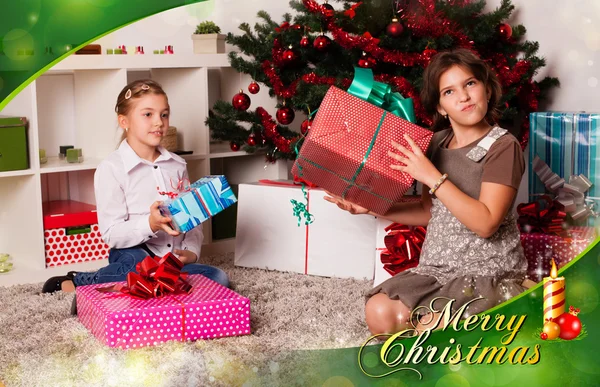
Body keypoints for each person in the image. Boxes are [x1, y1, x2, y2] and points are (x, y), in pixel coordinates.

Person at [325, 48, 528, 335]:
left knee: (431, 328)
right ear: (441, 107)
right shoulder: (436, 143)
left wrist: (432, 177)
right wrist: (372, 206)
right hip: (437, 269)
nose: (464, 96)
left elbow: (486, 223)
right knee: (381, 312)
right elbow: (428, 211)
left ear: (486, 89)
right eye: (449, 91)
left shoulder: (503, 147)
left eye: (470, 83)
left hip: (487, 271)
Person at [42, 79, 229, 303]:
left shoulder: (177, 165)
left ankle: (154, 289)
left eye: (164, 114)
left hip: (171, 259)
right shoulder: (111, 168)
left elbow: (193, 219)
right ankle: (81, 281)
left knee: (218, 278)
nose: (159, 122)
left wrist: (191, 251)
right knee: (137, 270)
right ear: (124, 121)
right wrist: (149, 225)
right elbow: (111, 233)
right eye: (148, 114)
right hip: (133, 252)